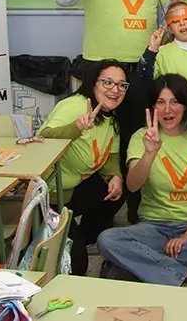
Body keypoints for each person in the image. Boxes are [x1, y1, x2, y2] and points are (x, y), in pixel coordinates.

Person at [54, 0, 169, 197]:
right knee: (92, 134)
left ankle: (131, 202)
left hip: (140, 67)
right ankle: (91, 201)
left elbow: (165, 17)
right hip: (99, 67)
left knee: (133, 135)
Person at [97, 74, 187, 289]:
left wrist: (186, 238)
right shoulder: (142, 136)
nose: (168, 110)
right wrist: (149, 153)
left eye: (174, 102)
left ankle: (135, 267)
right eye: (160, 102)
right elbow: (132, 186)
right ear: (152, 107)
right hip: (153, 227)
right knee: (107, 240)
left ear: (186, 105)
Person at [37, 60, 126, 276]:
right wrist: (76, 127)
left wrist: (115, 177)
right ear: (93, 83)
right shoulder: (75, 106)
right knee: (78, 265)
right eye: (107, 82)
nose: (115, 90)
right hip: (49, 195)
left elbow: (111, 155)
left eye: (122, 85)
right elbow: (43, 139)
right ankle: (47, 232)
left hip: (75, 188)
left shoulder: (108, 116)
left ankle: (82, 235)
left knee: (116, 190)